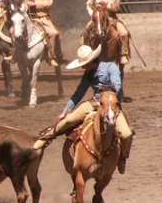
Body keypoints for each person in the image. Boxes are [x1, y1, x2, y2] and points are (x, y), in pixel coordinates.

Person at [33, 44, 133, 174]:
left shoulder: (110, 67)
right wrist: (65, 111)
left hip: (110, 105)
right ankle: (46, 138)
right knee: (69, 120)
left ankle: (121, 158)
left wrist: (107, 91)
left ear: (91, 61)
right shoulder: (87, 75)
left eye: (85, 64)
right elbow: (78, 94)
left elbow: (117, 86)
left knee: (126, 134)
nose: (82, 67)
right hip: (94, 103)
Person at [81, 0, 130, 65]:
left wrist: (106, 6)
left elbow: (116, 7)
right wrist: (93, 14)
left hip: (111, 17)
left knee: (123, 33)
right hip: (97, 18)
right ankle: (85, 53)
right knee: (85, 33)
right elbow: (88, 4)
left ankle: (123, 53)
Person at [19, 0, 62, 67]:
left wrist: (35, 4)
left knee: (53, 33)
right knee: (15, 31)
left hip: (42, 17)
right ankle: (14, 54)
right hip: (29, 18)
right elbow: (24, 4)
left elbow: (48, 2)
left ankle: (50, 57)